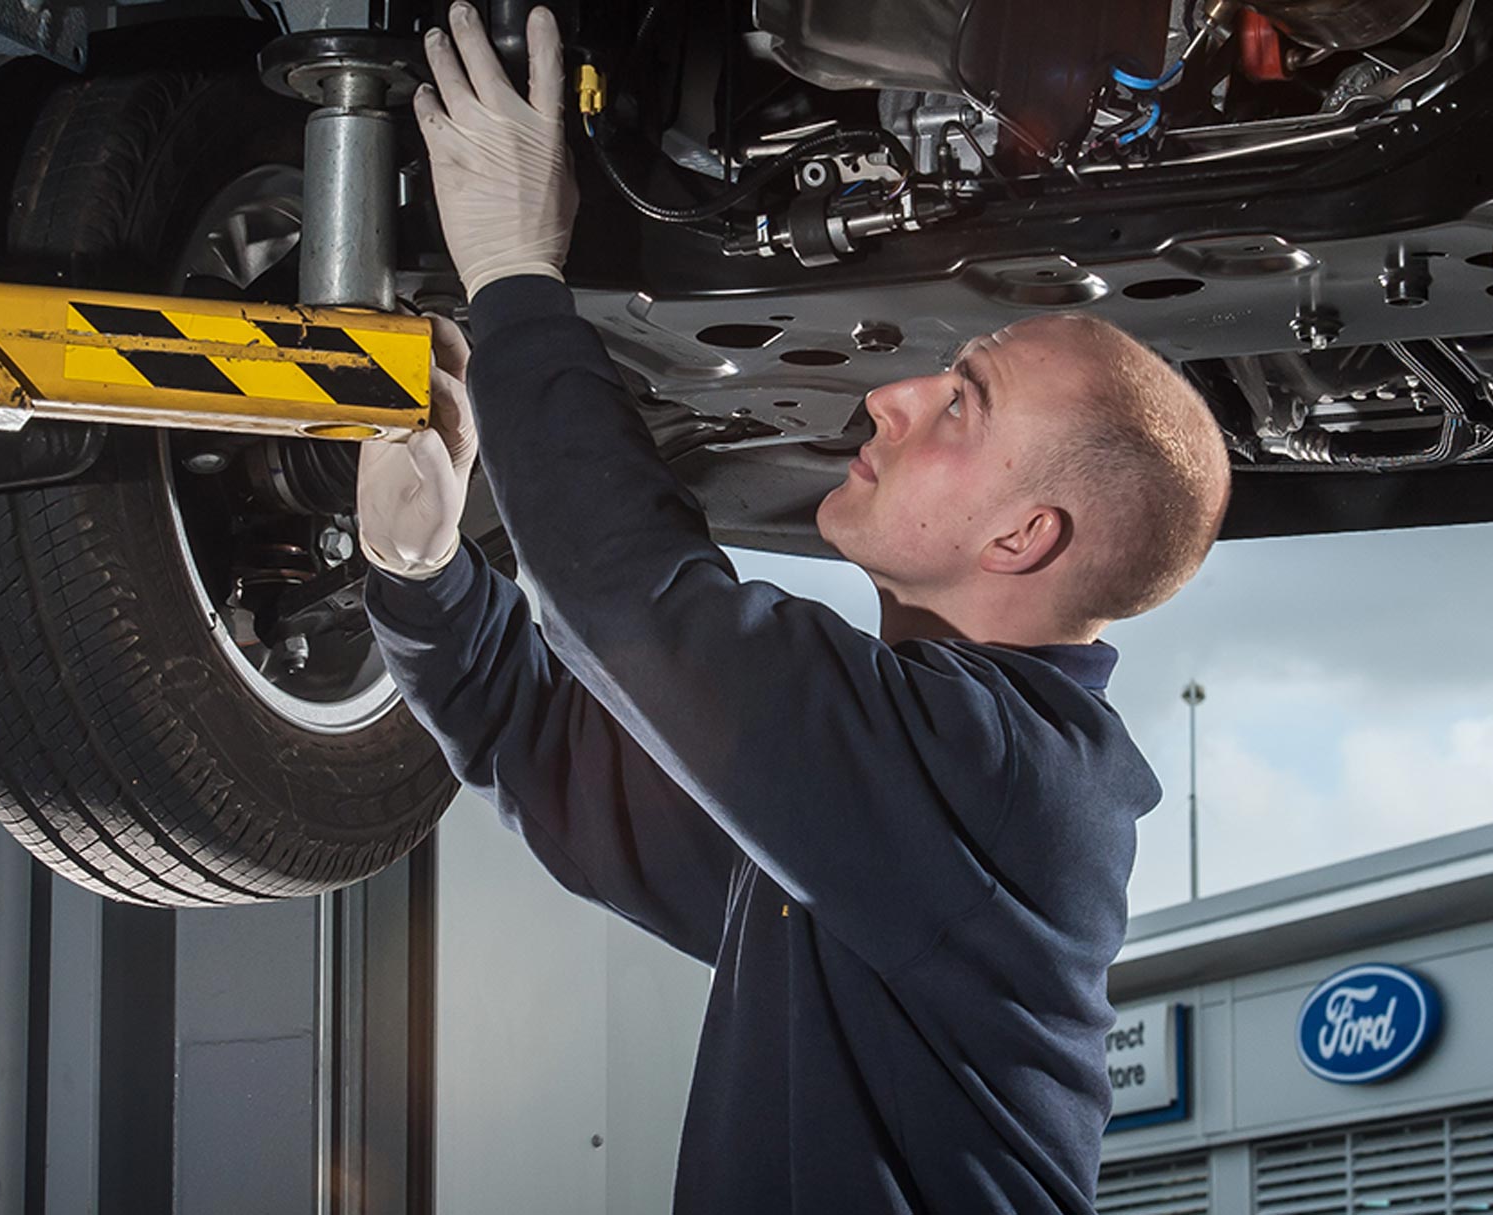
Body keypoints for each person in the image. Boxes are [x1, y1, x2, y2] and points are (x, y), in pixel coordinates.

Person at [355, 4, 1234, 1211]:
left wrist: (519, 279)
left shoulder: (1009, 781)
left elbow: (643, 610)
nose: (893, 398)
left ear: (1024, 538)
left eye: (961, 406)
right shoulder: (884, 820)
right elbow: (558, 757)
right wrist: (427, 581)